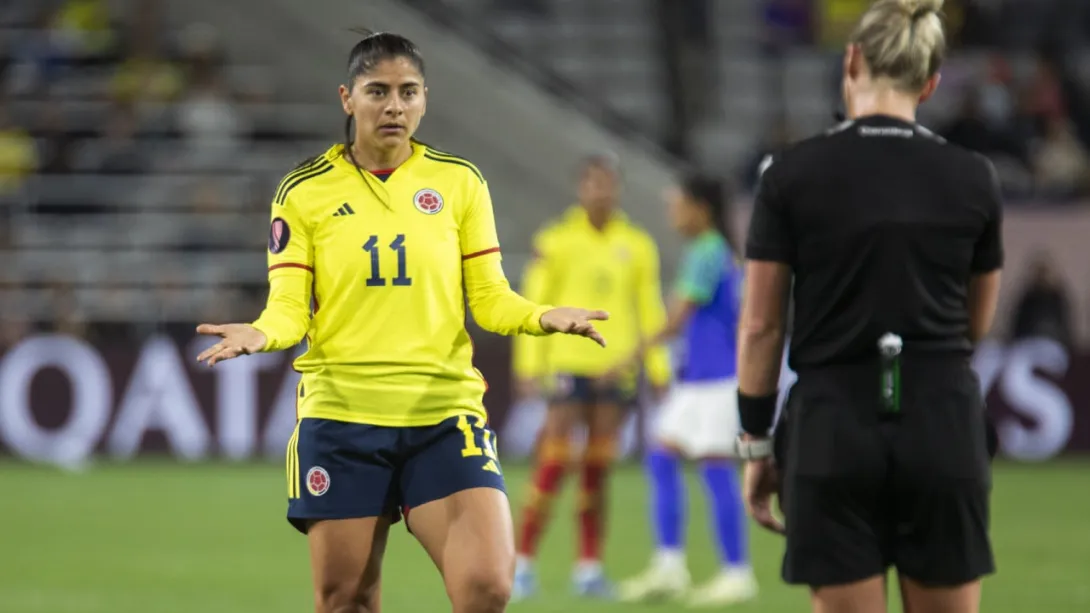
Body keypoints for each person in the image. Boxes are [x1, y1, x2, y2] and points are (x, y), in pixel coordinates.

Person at [195, 32, 610, 613]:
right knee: (348, 601)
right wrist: (260, 333)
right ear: (347, 98)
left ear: (424, 99)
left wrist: (544, 316)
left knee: (489, 586)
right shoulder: (304, 191)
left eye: (408, 92)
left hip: (442, 414)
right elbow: (290, 308)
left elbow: (489, 299)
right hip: (343, 419)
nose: (395, 105)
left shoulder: (460, 182)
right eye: (378, 91)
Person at [734, 1, 1003, 613]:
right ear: (930, 82)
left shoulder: (788, 175)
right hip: (942, 423)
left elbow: (761, 326)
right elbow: (974, 325)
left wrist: (756, 443)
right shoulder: (974, 176)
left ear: (851, 60)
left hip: (832, 426)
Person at [510, 154, 672, 599]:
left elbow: (649, 307)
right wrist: (529, 366)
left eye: (607, 184)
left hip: (613, 367)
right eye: (592, 184)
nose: (600, 191)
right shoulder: (556, 240)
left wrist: (656, 367)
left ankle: (589, 567)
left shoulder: (637, 244)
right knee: (554, 462)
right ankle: (521, 563)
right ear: (580, 189)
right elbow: (535, 304)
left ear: (616, 189)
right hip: (566, 364)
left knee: (597, 469)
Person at [616, 174, 758, 606]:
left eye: (678, 204)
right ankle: (670, 565)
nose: (672, 213)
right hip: (699, 380)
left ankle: (737, 572)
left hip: (715, 381)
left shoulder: (709, 251)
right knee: (661, 458)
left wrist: (630, 356)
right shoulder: (714, 251)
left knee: (714, 469)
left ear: (701, 207)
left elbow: (678, 317)